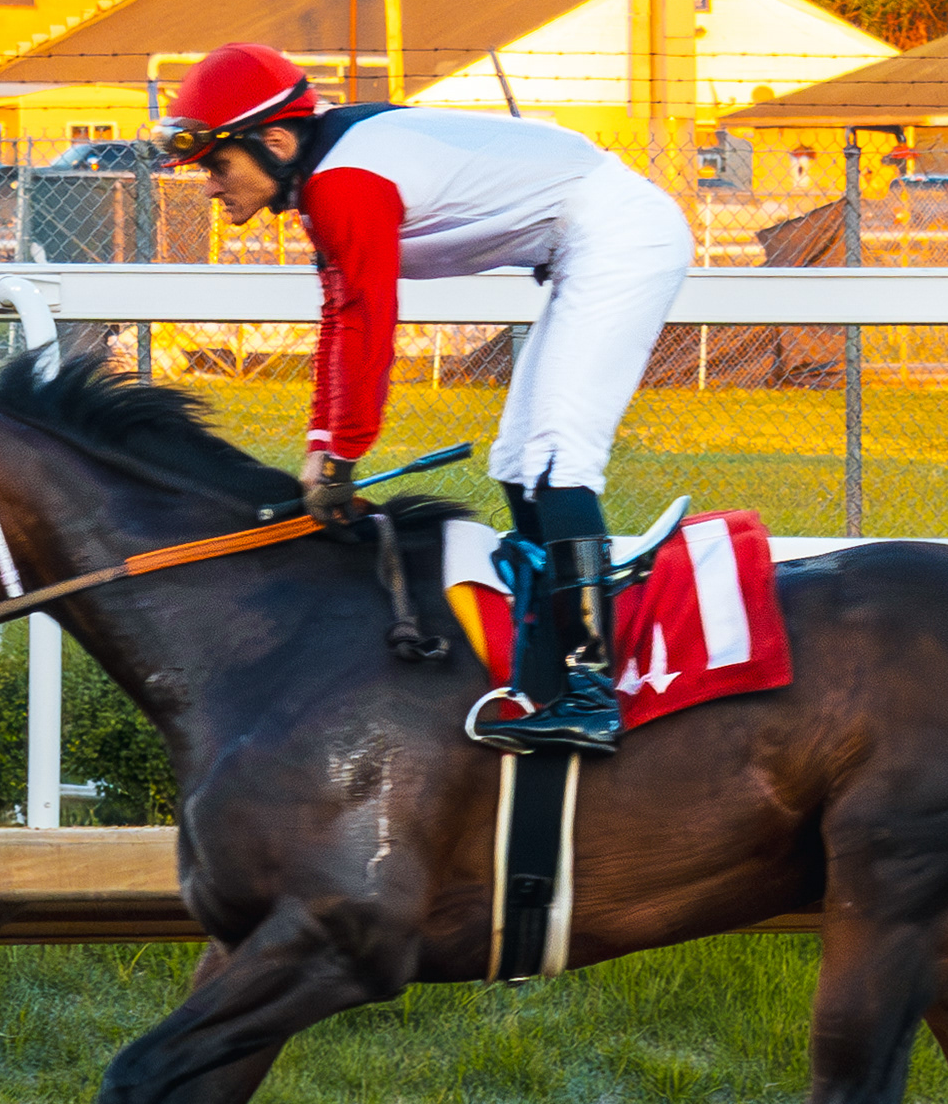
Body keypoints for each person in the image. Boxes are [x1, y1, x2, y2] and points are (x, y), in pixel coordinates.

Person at [157, 42, 692, 755]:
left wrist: (342, 458)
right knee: (516, 458)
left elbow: (371, 322)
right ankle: (542, 663)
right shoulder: (324, 183)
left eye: (218, 165)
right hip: (583, 238)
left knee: (556, 457)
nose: (211, 186)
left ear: (277, 141)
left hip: (619, 236)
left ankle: (592, 693)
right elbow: (341, 318)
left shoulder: (344, 183)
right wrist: (324, 449)